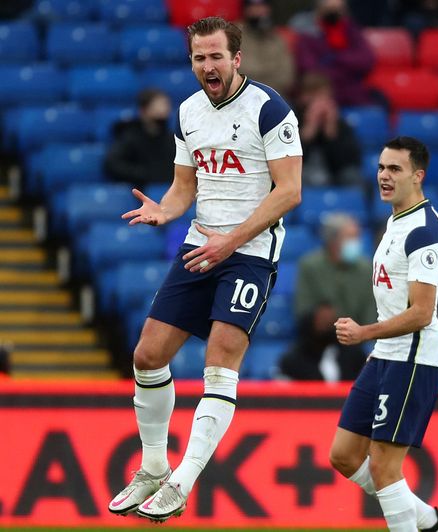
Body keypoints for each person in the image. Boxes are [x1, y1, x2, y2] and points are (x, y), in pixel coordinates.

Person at [108, 17, 303, 522]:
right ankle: (153, 466)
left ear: (237, 59)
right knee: (148, 355)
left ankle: (183, 479)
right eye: (200, 58)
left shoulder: (270, 109)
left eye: (216, 56)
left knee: (220, 357)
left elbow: (290, 191)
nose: (208, 66)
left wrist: (232, 240)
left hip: (250, 252)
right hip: (201, 246)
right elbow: (184, 186)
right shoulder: (189, 111)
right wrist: (164, 211)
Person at [328, 136, 438, 532]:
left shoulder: (425, 232)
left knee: (386, 468)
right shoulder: (396, 220)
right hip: (386, 355)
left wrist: (366, 332)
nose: (384, 176)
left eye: (395, 169)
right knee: (345, 456)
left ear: (418, 176)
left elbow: (421, 313)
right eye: (382, 168)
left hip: (413, 359)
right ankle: (431, 522)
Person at [281, 213, 375, 381]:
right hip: (314, 345)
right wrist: (317, 318)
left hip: (354, 347)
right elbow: (302, 311)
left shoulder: (366, 270)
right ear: (333, 241)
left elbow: (371, 317)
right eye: (351, 238)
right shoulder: (310, 266)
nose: (357, 243)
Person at [293, 0, 376, 107]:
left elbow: (367, 60)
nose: (334, 13)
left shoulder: (351, 31)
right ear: (319, 10)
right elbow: (310, 68)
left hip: (353, 93)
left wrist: (338, 58)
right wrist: (347, 68)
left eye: (338, 9)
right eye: (329, 9)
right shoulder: (308, 35)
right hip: (322, 93)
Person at [295, 72, 362, 186]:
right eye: (314, 96)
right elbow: (291, 161)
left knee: (353, 177)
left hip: (334, 173)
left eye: (324, 97)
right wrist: (310, 128)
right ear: (303, 97)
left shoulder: (340, 123)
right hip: (304, 172)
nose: (320, 103)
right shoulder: (292, 120)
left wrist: (330, 130)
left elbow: (349, 163)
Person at [104, 88, 176, 189]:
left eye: (166, 105)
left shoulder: (172, 139)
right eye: (158, 106)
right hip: (139, 190)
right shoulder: (130, 137)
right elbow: (113, 164)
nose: (164, 110)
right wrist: (144, 174)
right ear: (144, 110)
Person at [238, 0, 296, 97]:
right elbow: (237, 73)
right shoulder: (234, 35)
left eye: (262, 6)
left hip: (274, 96)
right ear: (245, 9)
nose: (258, 11)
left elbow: (287, 77)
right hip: (241, 97)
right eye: (253, 6)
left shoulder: (278, 38)